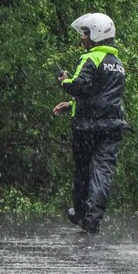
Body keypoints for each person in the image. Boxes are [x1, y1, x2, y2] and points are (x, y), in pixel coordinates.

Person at [53, 12, 127, 234]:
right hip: (113, 126)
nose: (83, 38)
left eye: (85, 33)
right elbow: (102, 96)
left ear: (96, 34)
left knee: (83, 172)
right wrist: (71, 104)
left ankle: (82, 213)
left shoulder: (90, 58)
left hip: (88, 127)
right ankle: (92, 219)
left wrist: (64, 81)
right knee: (103, 172)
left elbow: (81, 86)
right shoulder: (117, 63)